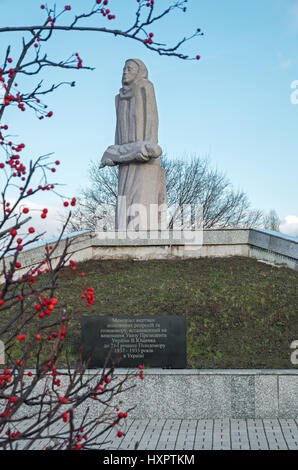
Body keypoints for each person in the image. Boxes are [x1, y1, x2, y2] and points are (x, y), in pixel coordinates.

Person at [100, 59, 167, 231]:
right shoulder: (119, 97)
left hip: (144, 156)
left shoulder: (145, 87)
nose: (125, 72)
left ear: (139, 71)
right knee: (124, 208)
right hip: (125, 158)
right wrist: (118, 152)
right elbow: (118, 128)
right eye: (123, 68)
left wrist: (147, 146)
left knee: (141, 207)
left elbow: (152, 119)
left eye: (129, 69)